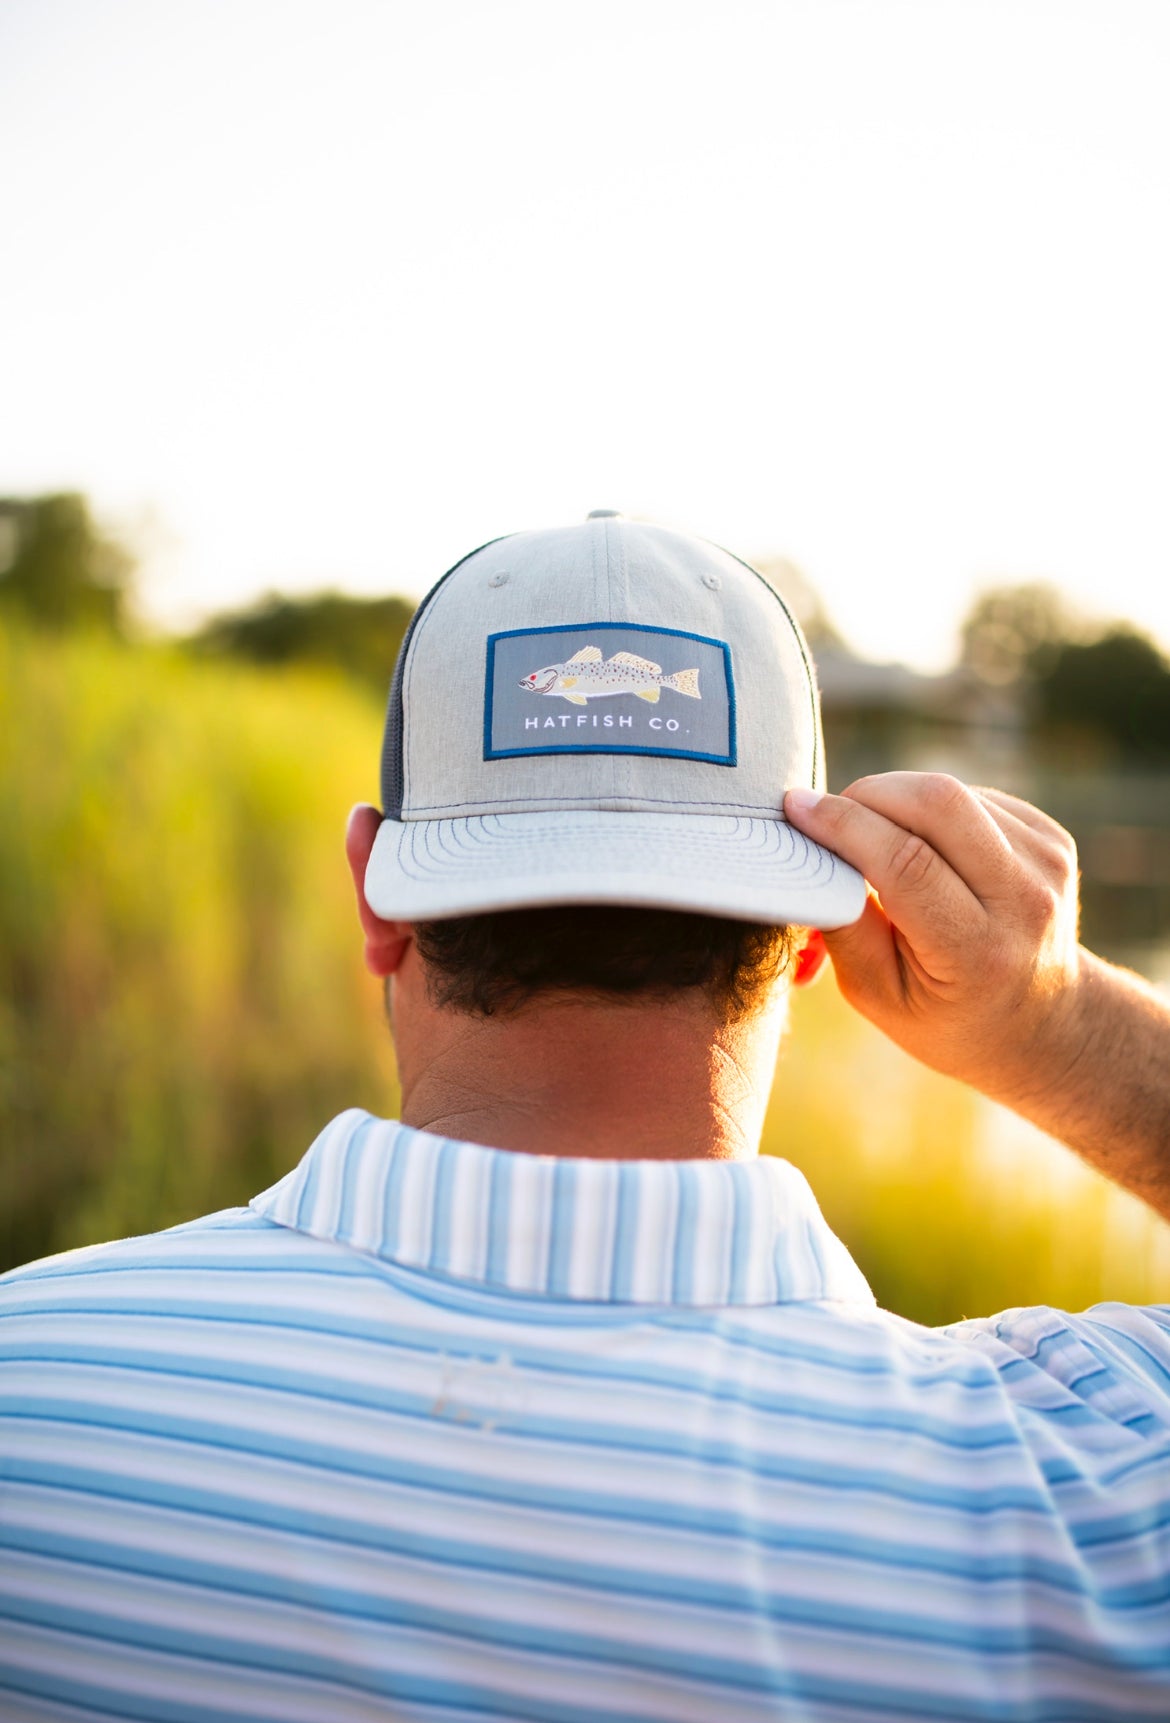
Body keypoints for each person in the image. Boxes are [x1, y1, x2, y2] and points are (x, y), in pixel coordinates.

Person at [2, 513, 1169, 1722]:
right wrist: (1059, 1021)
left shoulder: (25, 1398)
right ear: (818, 944)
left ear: (374, 896)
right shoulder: (1086, 1496)